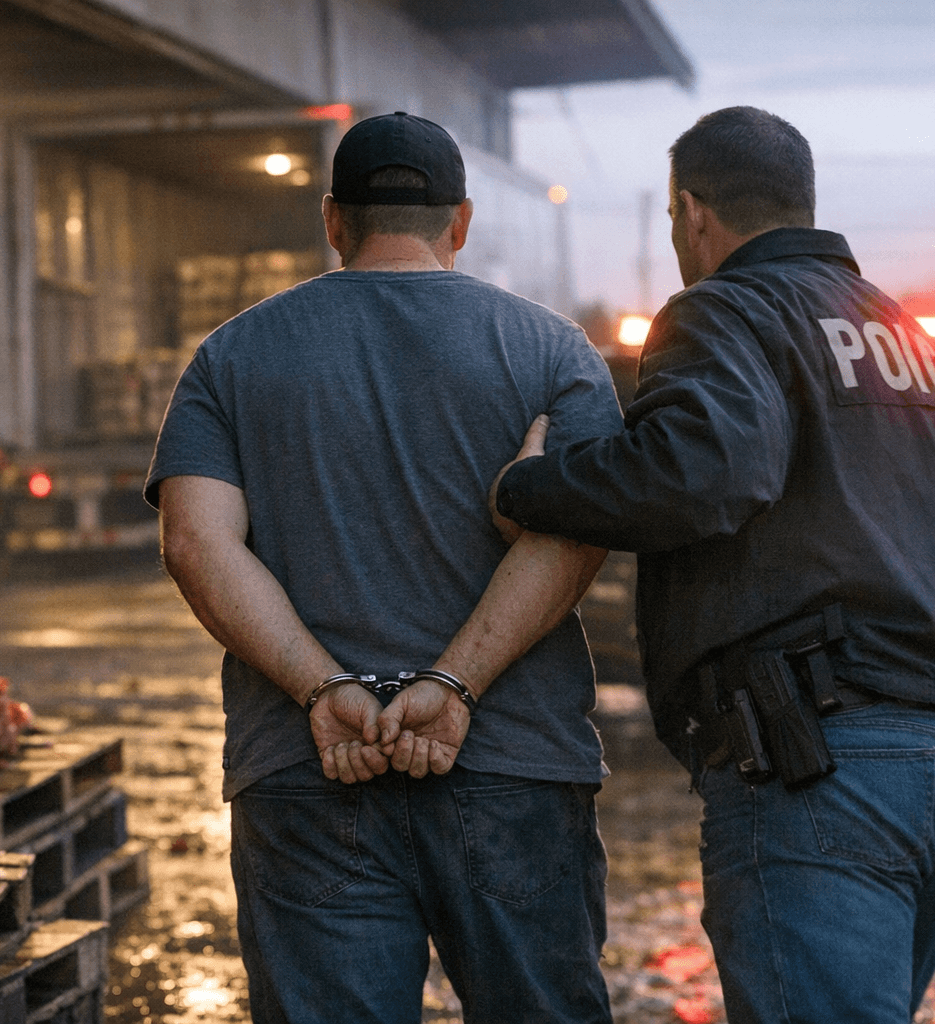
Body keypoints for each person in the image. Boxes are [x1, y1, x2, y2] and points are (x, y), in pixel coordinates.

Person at [491, 105, 935, 1023]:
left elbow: (700, 472)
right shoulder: (916, 346)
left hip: (831, 758)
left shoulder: (726, 307)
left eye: (676, 219)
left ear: (691, 212)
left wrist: (529, 487)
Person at [146, 111, 622, 1023]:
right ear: (462, 221)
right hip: (513, 763)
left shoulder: (231, 355)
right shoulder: (553, 350)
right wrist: (455, 683)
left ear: (333, 219)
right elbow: (572, 535)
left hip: (310, 768)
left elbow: (196, 544)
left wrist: (324, 688)